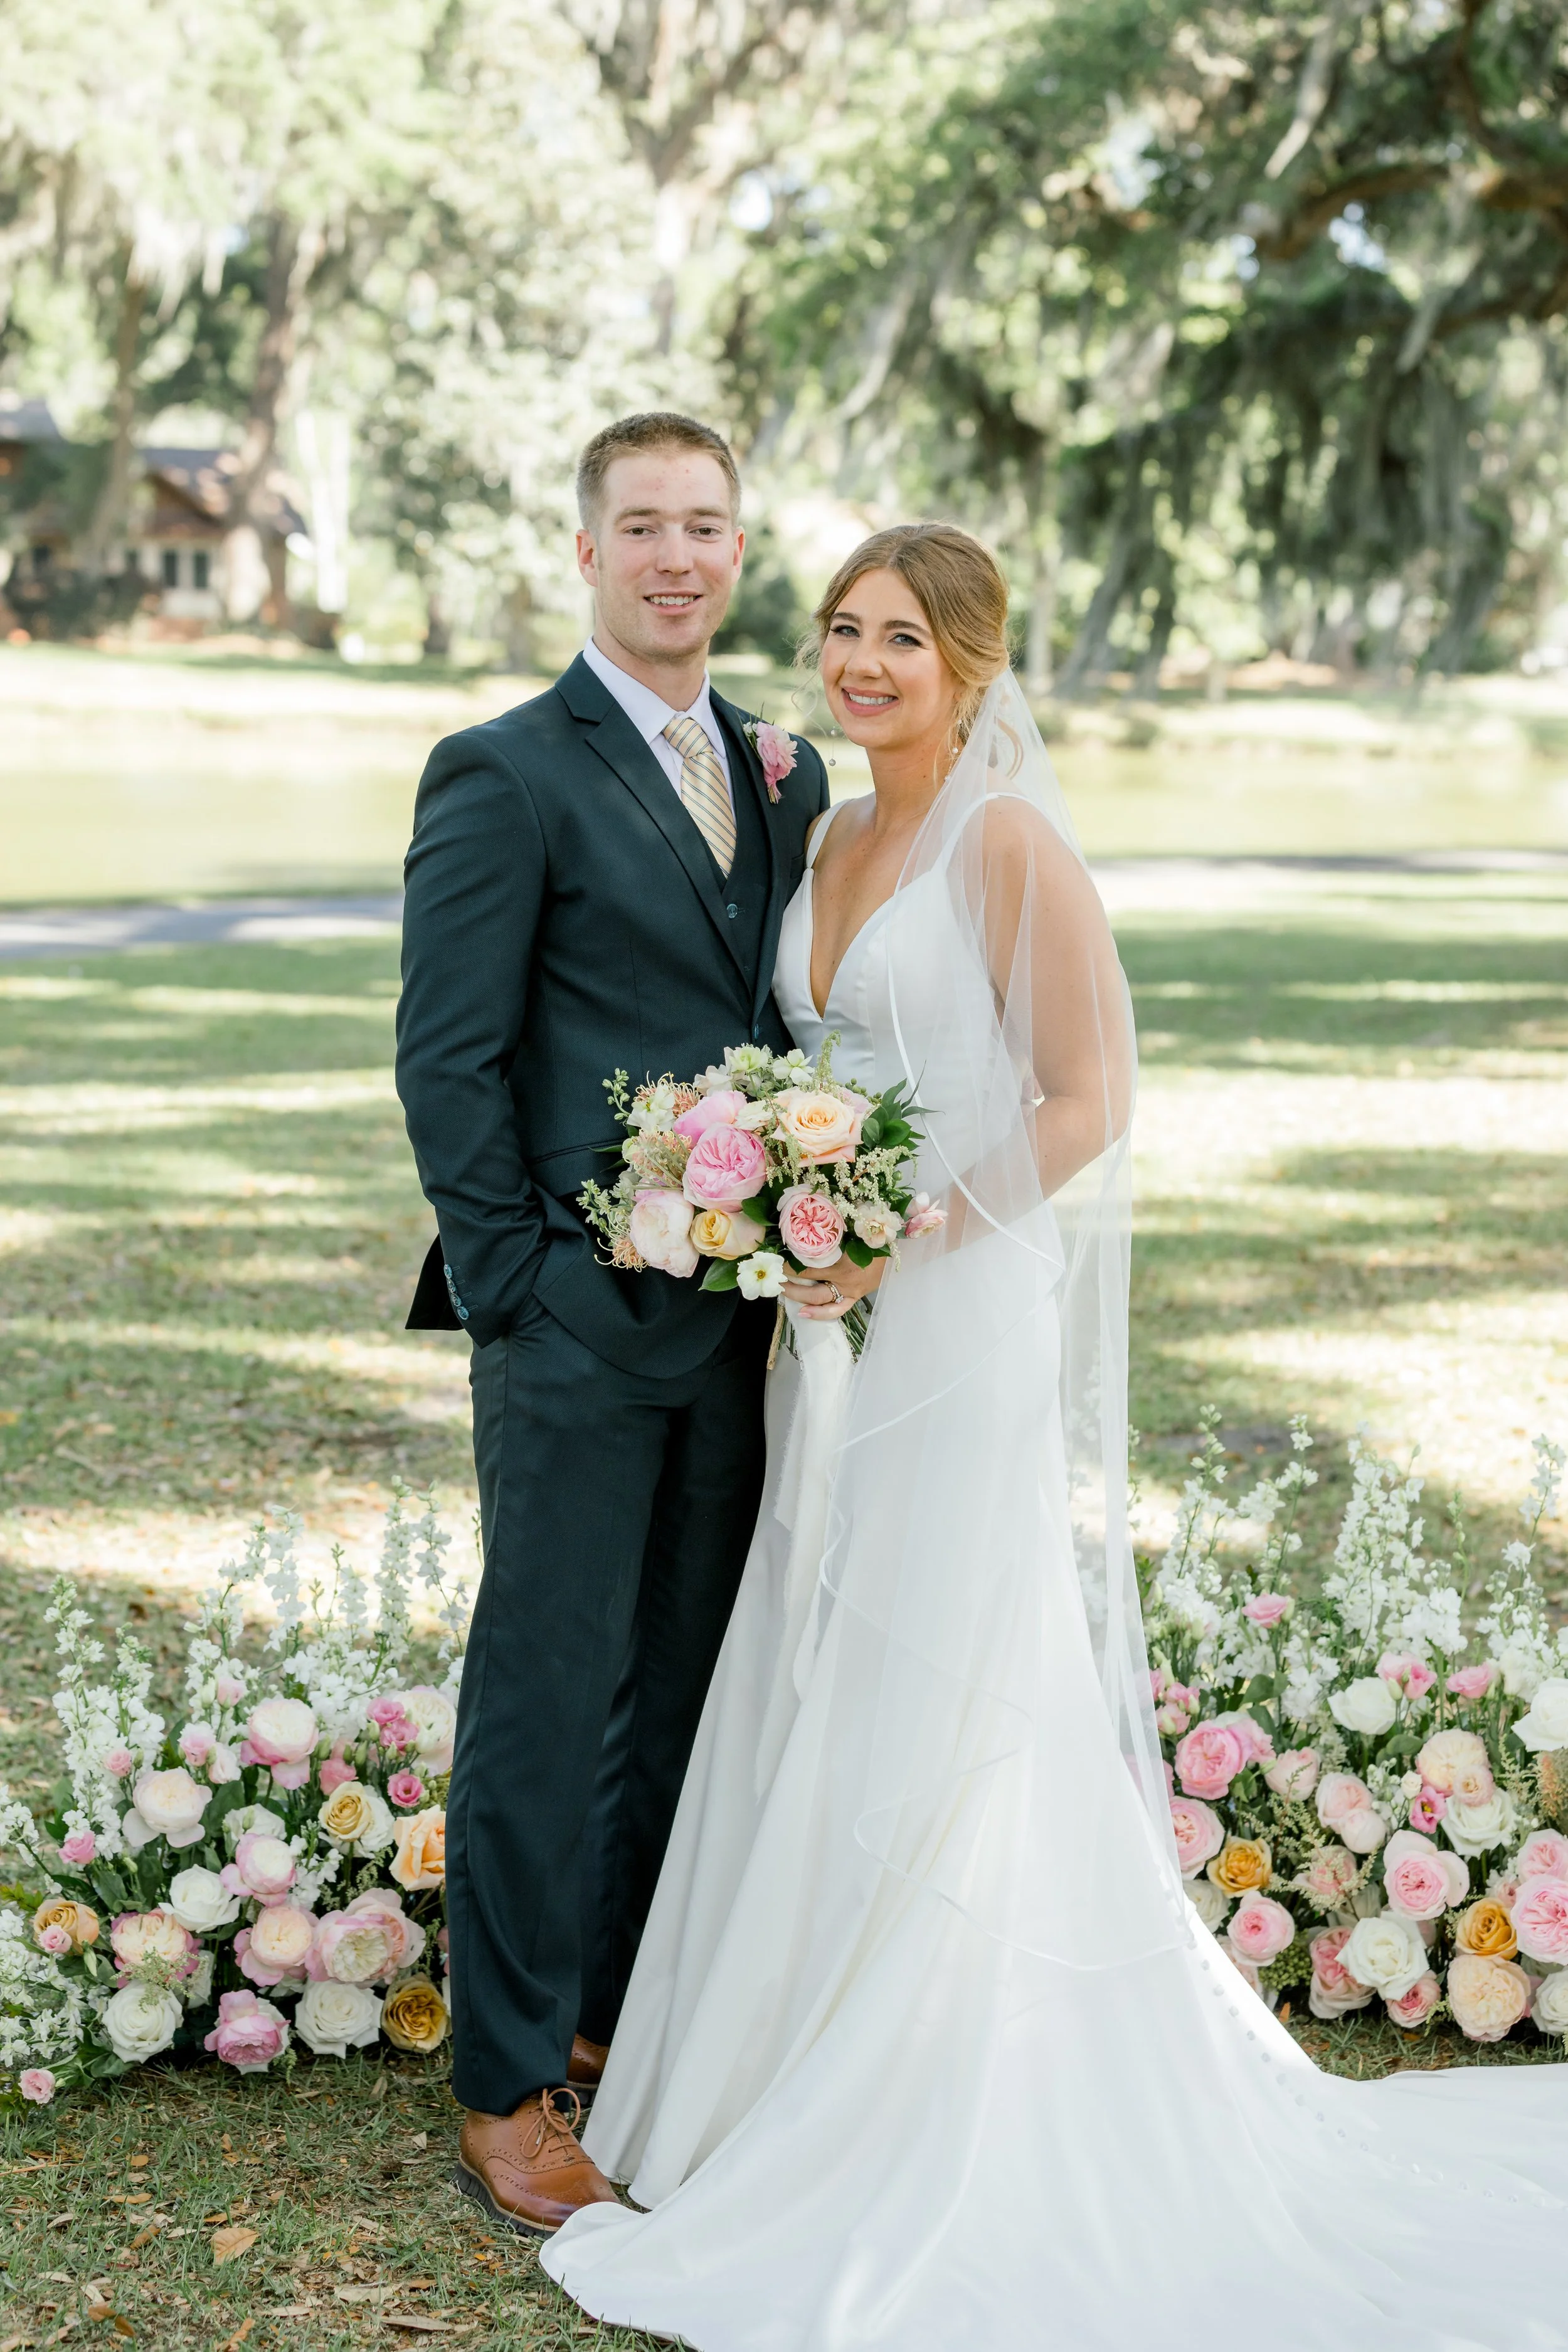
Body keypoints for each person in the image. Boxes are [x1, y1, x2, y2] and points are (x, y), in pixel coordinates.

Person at [541, 524, 1568, 2351]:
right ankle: (780, 2066)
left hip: (954, 1310)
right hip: (826, 1323)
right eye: (844, 632)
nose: (860, 666)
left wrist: (908, 1225)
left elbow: (1091, 1095)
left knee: (944, 1668)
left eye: (901, 644)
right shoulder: (832, 830)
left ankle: (941, 2079)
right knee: (819, 1647)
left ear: (974, 669)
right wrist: (789, 1210)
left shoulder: (1001, 842)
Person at [394, 412, 829, 2232]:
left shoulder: (788, 775)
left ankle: (608, 2024)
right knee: (543, 1697)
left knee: (685, 1701)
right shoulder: (501, 769)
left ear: (739, 555)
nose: (675, 556)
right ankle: (501, 2085)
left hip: (745, 1334)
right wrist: (524, 1291)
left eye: (705, 528)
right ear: (584, 551)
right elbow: (449, 1056)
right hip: (574, 1327)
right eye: (641, 525)